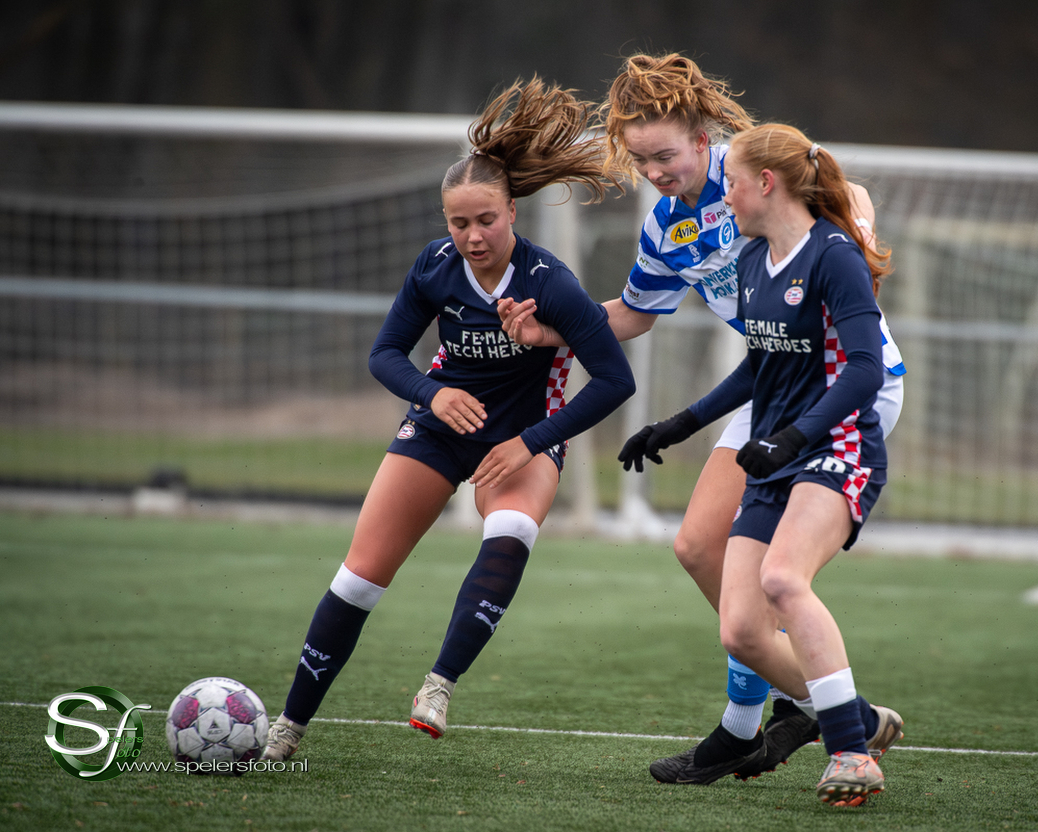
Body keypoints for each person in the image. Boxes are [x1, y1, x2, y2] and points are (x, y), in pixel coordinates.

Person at [498, 53, 904, 784]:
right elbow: (632, 314)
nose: (653, 172)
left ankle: (767, 724)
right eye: (640, 160)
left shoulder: (751, 172)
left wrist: (853, 246)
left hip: (844, 389)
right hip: (771, 384)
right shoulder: (664, 227)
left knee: (775, 575)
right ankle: (806, 707)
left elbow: (852, 193)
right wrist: (548, 330)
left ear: (702, 138)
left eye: (665, 156)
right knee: (696, 547)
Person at [261, 78, 634, 761]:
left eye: (485, 220)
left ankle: (439, 684)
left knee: (512, 530)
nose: (472, 236)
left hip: (522, 437)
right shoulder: (434, 268)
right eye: (459, 223)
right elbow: (384, 354)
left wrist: (532, 442)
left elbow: (616, 379)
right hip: (437, 430)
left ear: (512, 211)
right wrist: (432, 396)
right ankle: (288, 728)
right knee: (359, 577)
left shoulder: (551, 282)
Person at [647, 122, 897, 806]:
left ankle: (852, 755)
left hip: (837, 445)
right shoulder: (755, 260)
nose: (724, 197)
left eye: (731, 183)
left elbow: (865, 370)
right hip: (776, 450)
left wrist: (795, 437)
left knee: (783, 579)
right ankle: (860, 720)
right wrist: (681, 423)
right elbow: (758, 364)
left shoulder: (834, 256)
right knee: (742, 630)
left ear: (767, 183)